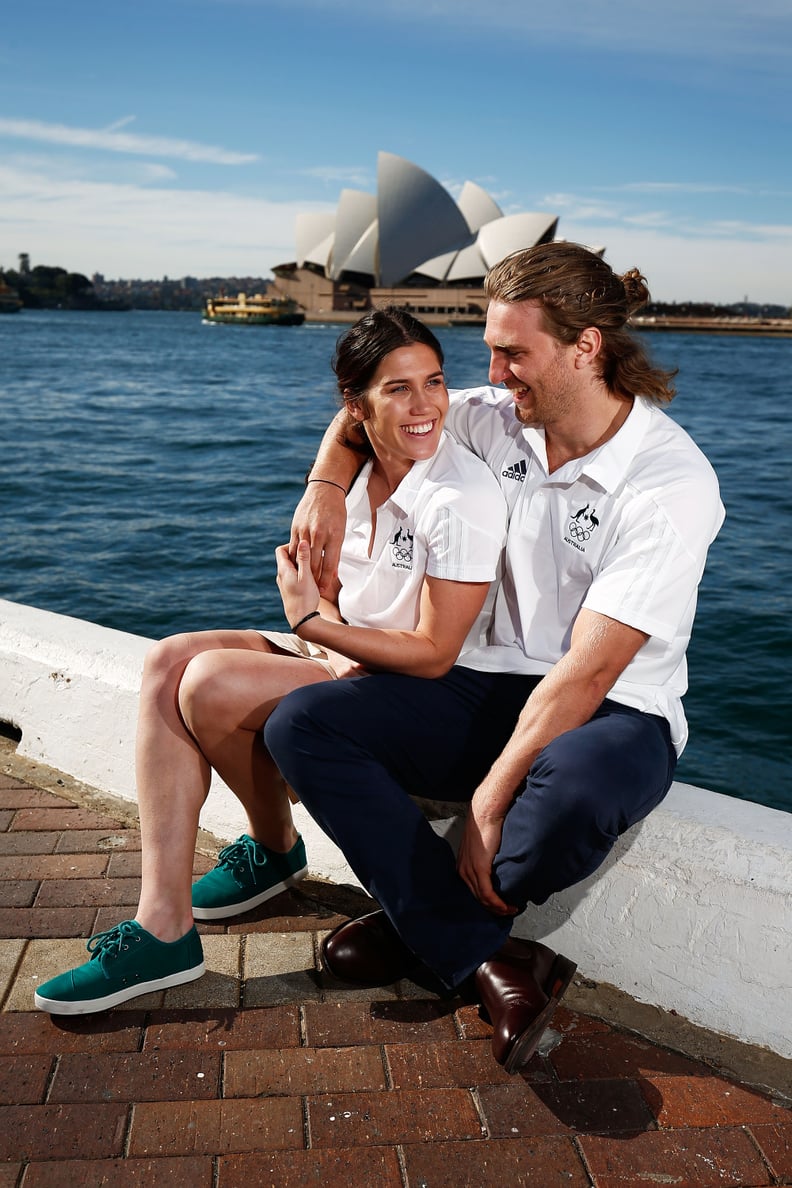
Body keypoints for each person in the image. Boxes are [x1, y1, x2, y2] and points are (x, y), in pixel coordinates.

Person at [263, 242, 725, 1075]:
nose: (495, 373)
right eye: (489, 351)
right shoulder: (496, 414)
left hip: (619, 707)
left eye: (515, 353)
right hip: (487, 684)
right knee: (304, 723)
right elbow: (365, 413)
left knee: (569, 797)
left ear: (586, 347)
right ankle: (489, 957)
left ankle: (416, 925)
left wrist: (486, 801)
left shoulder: (669, 484)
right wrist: (324, 488)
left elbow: (587, 671)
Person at [34, 307, 508, 1015]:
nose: (424, 405)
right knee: (168, 661)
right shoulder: (350, 478)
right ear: (356, 408)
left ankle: (266, 849)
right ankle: (174, 914)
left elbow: (434, 653)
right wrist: (322, 620)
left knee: (211, 682)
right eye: (397, 389)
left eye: (434, 381)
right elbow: (327, 592)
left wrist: (313, 624)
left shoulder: (459, 495)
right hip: (342, 652)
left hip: (415, 685)